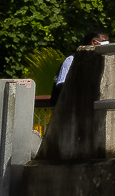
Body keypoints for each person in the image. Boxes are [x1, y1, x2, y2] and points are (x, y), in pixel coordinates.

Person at [47, 28, 111, 164]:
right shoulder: (72, 60)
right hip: (69, 111)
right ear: (94, 42)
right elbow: (62, 84)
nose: (107, 44)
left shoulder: (100, 61)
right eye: (104, 41)